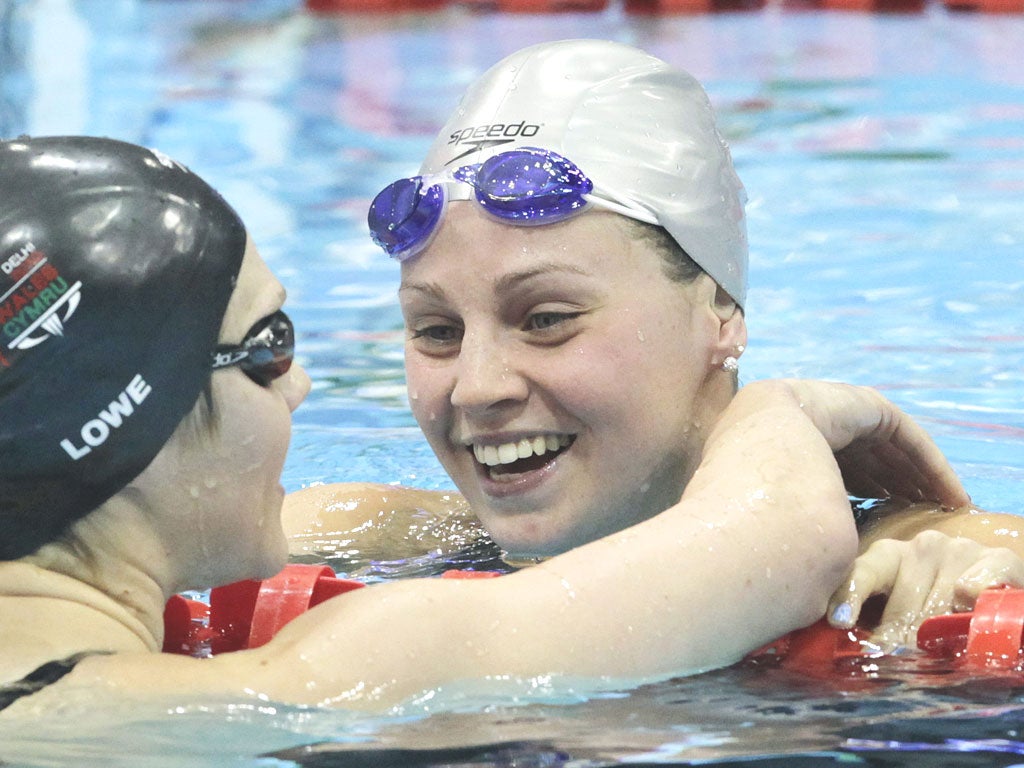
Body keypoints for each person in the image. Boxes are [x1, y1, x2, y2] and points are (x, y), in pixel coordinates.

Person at [0, 135, 996, 715]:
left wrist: (916, 535)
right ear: (132, 419)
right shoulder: (300, 680)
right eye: (268, 348)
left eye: (547, 319)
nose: (298, 387)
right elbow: (782, 543)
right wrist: (794, 406)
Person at [283, 39, 1024, 649]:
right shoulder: (370, 537)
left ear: (720, 313)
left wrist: (973, 575)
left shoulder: (899, 557)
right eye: (437, 331)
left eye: (546, 319)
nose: (476, 388)